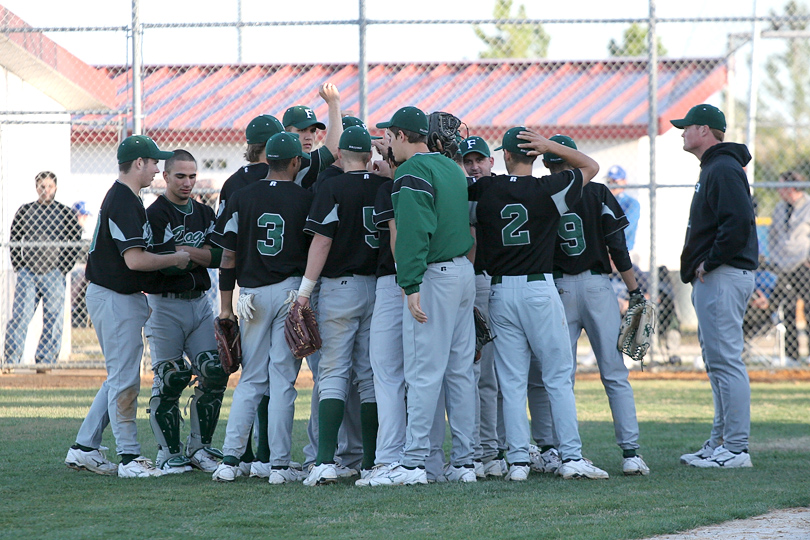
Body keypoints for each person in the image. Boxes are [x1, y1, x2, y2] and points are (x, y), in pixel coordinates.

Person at [468, 127, 609, 481]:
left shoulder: (487, 188)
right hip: (538, 289)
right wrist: (552, 146)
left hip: (499, 290)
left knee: (512, 381)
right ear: (534, 156)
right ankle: (572, 457)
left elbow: (459, 190)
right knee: (557, 377)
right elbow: (590, 166)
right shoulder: (549, 189)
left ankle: (517, 462)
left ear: (505, 156)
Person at [64, 135, 191, 478]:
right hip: (115, 296)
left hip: (115, 296)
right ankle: (129, 458)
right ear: (138, 163)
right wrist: (175, 258)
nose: (156, 169)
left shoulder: (126, 197)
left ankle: (85, 448)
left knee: (117, 378)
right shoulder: (125, 199)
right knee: (125, 381)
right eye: (153, 163)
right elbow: (134, 260)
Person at [367, 106, 477, 486]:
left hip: (434, 276)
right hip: (463, 272)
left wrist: (409, 284)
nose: (384, 142)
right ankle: (464, 463)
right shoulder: (451, 166)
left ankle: (412, 465)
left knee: (423, 373)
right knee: (460, 372)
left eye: (388, 136)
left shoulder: (413, 171)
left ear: (400, 135)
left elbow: (414, 233)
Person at [209, 132, 313, 484]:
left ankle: (228, 460)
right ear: (295, 162)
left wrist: (226, 306)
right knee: (283, 380)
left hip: (250, 295)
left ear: (267, 160)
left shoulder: (241, 196)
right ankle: (279, 467)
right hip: (288, 292)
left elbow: (227, 255)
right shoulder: (303, 197)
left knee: (251, 380)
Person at [543, 134, 650, 476]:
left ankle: (562, 452)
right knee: (614, 373)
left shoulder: (540, 192)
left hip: (556, 287)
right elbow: (617, 246)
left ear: (547, 163)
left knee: (561, 376)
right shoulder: (598, 191)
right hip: (597, 285)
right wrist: (634, 290)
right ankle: (631, 453)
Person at [297, 126, 387, 486]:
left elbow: (321, 242)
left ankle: (324, 462)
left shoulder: (331, 185)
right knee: (368, 376)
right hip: (377, 287)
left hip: (340, 287)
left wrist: (304, 291)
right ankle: (369, 462)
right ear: (369, 155)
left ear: (339, 156)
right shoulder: (385, 185)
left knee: (333, 373)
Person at [672, 104, 758, 468]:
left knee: (725, 361)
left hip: (723, 275)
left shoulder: (721, 167)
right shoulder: (716, 166)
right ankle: (721, 441)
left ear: (704, 130)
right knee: (716, 362)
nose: (682, 132)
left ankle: (736, 449)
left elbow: (737, 222)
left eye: (687, 127)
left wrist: (710, 260)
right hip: (718, 276)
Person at [144, 150, 229, 474]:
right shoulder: (157, 213)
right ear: (165, 176)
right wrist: (197, 254)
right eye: (180, 176)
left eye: (192, 176)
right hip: (164, 305)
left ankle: (200, 447)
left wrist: (186, 253)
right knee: (171, 376)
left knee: (214, 370)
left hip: (199, 302)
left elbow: (220, 256)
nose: (187, 182)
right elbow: (164, 262)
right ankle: (168, 452)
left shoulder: (205, 213)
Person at [460, 135, 507, 478]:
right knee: (479, 372)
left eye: (479, 159)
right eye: (468, 160)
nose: (474, 166)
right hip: (474, 283)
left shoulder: (501, 189)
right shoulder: (459, 189)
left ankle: (492, 449)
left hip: (497, 283)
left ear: (492, 161)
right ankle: (484, 450)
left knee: (496, 374)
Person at [4, 171, 82, 371]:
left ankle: (46, 361)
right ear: (36, 188)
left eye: (49, 186)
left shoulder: (65, 213)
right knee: (20, 316)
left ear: (55, 188)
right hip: (28, 273)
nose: (45, 190)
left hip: (54, 273)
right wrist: (19, 266)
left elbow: (75, 242)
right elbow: (14, 239)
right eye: (41, 186)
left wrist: (63, 267)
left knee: (53, 319)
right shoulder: (25, 211)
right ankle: (11, 360)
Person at [767, 170, 810, 361]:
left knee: (808, 308)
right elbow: (773, 235)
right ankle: (792, 356)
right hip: (783, 265)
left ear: (791, 188)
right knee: (788, 308)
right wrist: (775, 256)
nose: (778, 190)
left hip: (804, 263)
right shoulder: (779, 208)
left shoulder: (807, 205)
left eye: (781, 186)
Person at [607, 165, 640, 252]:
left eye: (615, 181)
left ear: (624, 182)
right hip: (605, 250)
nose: (611, 184)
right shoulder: (604, 201)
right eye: (609, 181)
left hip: (624, 250)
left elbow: (624, 228)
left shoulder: (631, 203)